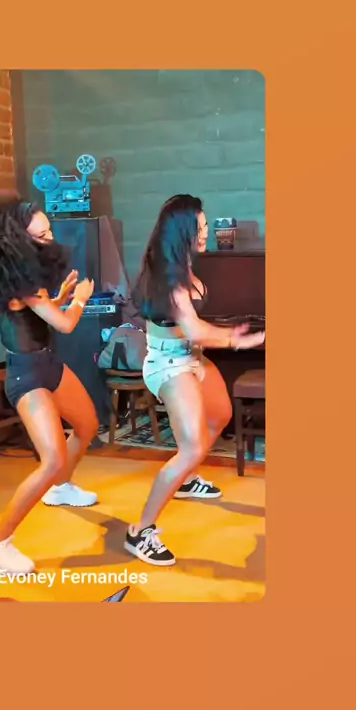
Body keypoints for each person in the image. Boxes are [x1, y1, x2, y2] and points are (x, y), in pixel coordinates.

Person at [125, 194, 265, 566]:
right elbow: (196, 330)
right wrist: (236, 339)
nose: (205, 233)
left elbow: (196, 332)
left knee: (220, 416)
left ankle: (187, 479)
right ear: (182, 231)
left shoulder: (182, 264)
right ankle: (140, 531)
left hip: (192, 356)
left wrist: (223, 333)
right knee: (190, 447)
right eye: (199, 228)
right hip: (169, 364)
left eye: (205, 226)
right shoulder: (168, 279)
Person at [0, 195, 100, 575]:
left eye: (49, 232)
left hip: (48, 364)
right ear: (17, 241)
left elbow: (40, 312)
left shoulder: (25, 282)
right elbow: (65, 324)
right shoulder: (21, 284)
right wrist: (80, 300)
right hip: (27, 376)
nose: (50, 239)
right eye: (41, 236)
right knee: (52, 458)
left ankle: (60, 488)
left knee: (87, 426)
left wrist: (61, 297)